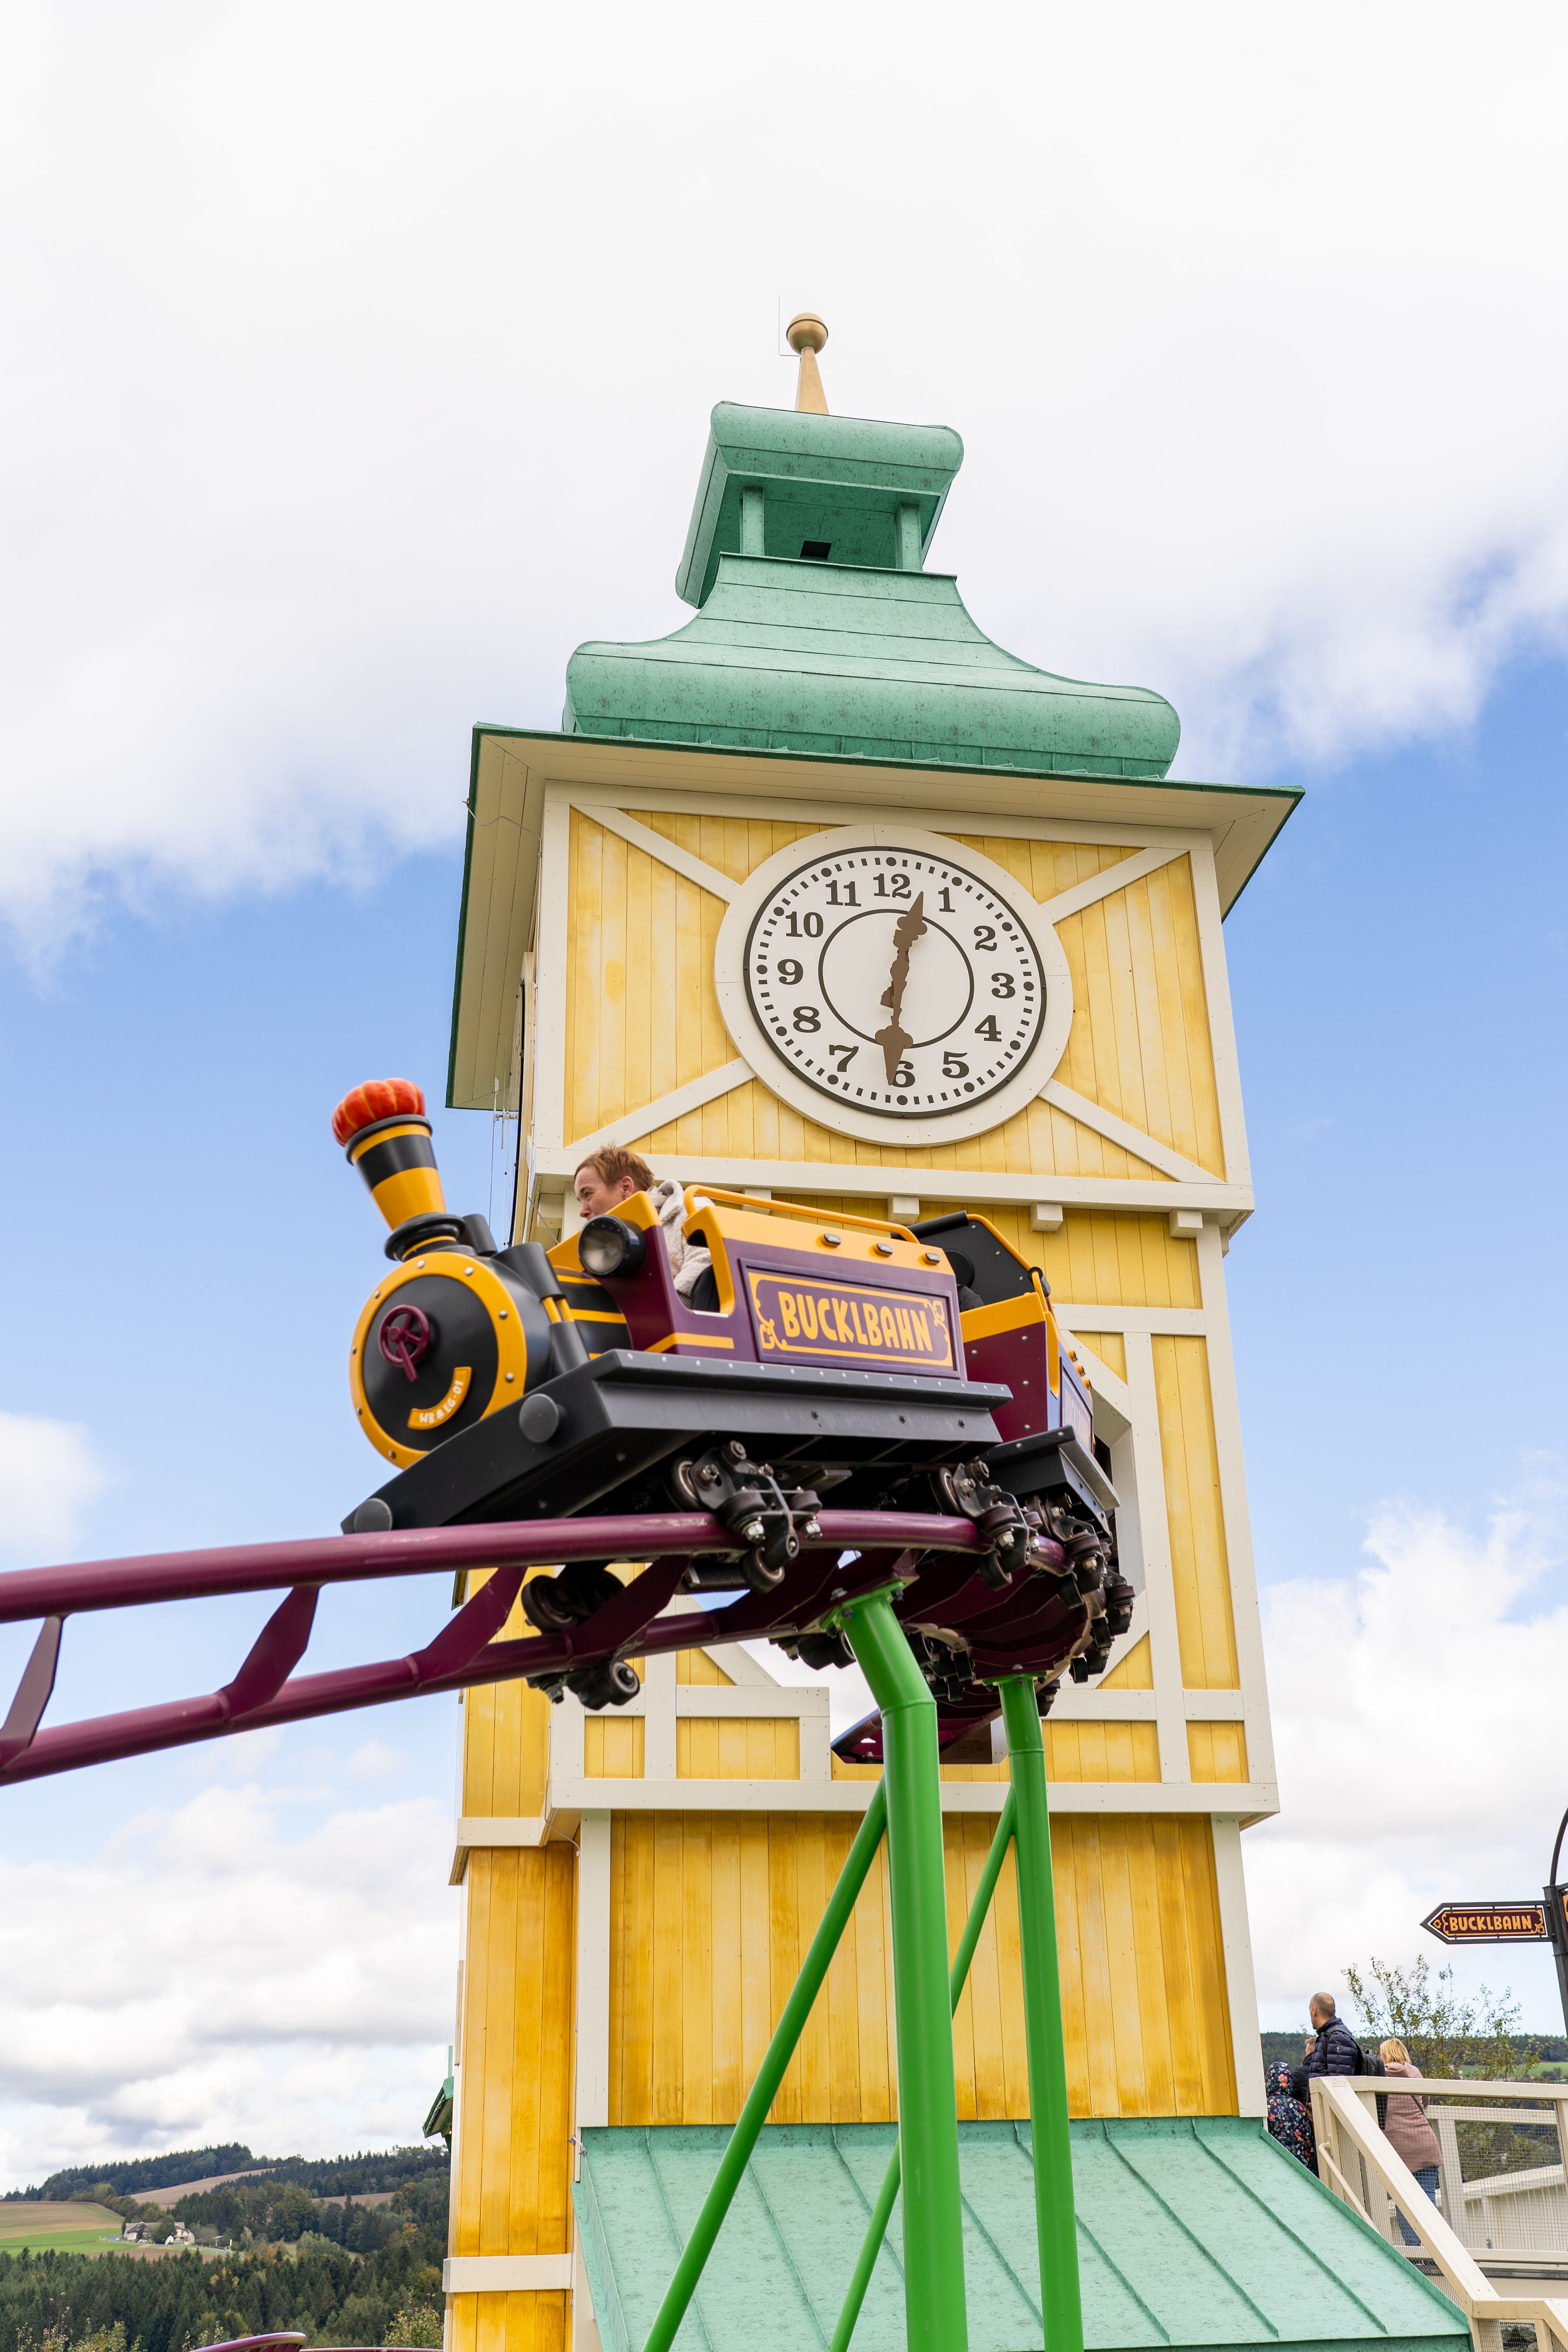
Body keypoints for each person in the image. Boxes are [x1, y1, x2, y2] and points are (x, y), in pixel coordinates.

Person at [572, 1147, 715, 1303]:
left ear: (626, 1187)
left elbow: (705, 1261)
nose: (582, 1211)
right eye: (580, 1201)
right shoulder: (599, 1252)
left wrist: (672, 1310)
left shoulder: (691, 1209)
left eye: (588, 1194)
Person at [1380, 2038, 1442, 2246]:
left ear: (1385, 2055)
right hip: (1425, 2143)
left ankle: (1415, 2253)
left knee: (1403, 2203)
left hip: (1399, 2149)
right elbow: (1425, 2101)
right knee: (1428, 2200)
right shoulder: (1415, 2072)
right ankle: (1437, 2250)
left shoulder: (1380, 2074)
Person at [1266, 2059, 1317, 2173]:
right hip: (1300, 2162)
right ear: (1290, 2082)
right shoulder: (1300, 2107)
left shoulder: (1266, 2106)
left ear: (1269, 2081)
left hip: (1276, 2161)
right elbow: (1308, 2140)